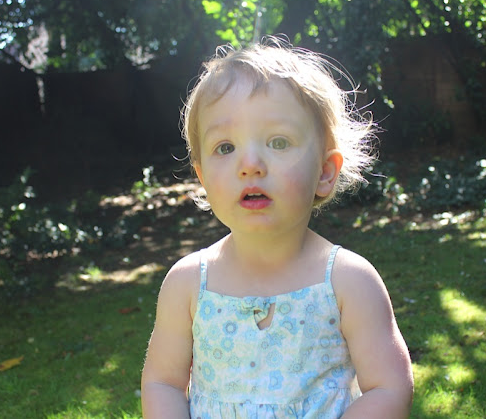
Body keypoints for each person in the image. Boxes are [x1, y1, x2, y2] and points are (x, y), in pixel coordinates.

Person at [141, 36, 413, 418]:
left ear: (324, 172)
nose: (250, 164)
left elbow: (389, 387)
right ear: (202, 178)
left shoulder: (348, 282)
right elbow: (163, 382)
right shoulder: (187, 285)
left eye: (278, 142)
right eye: (225, 147)